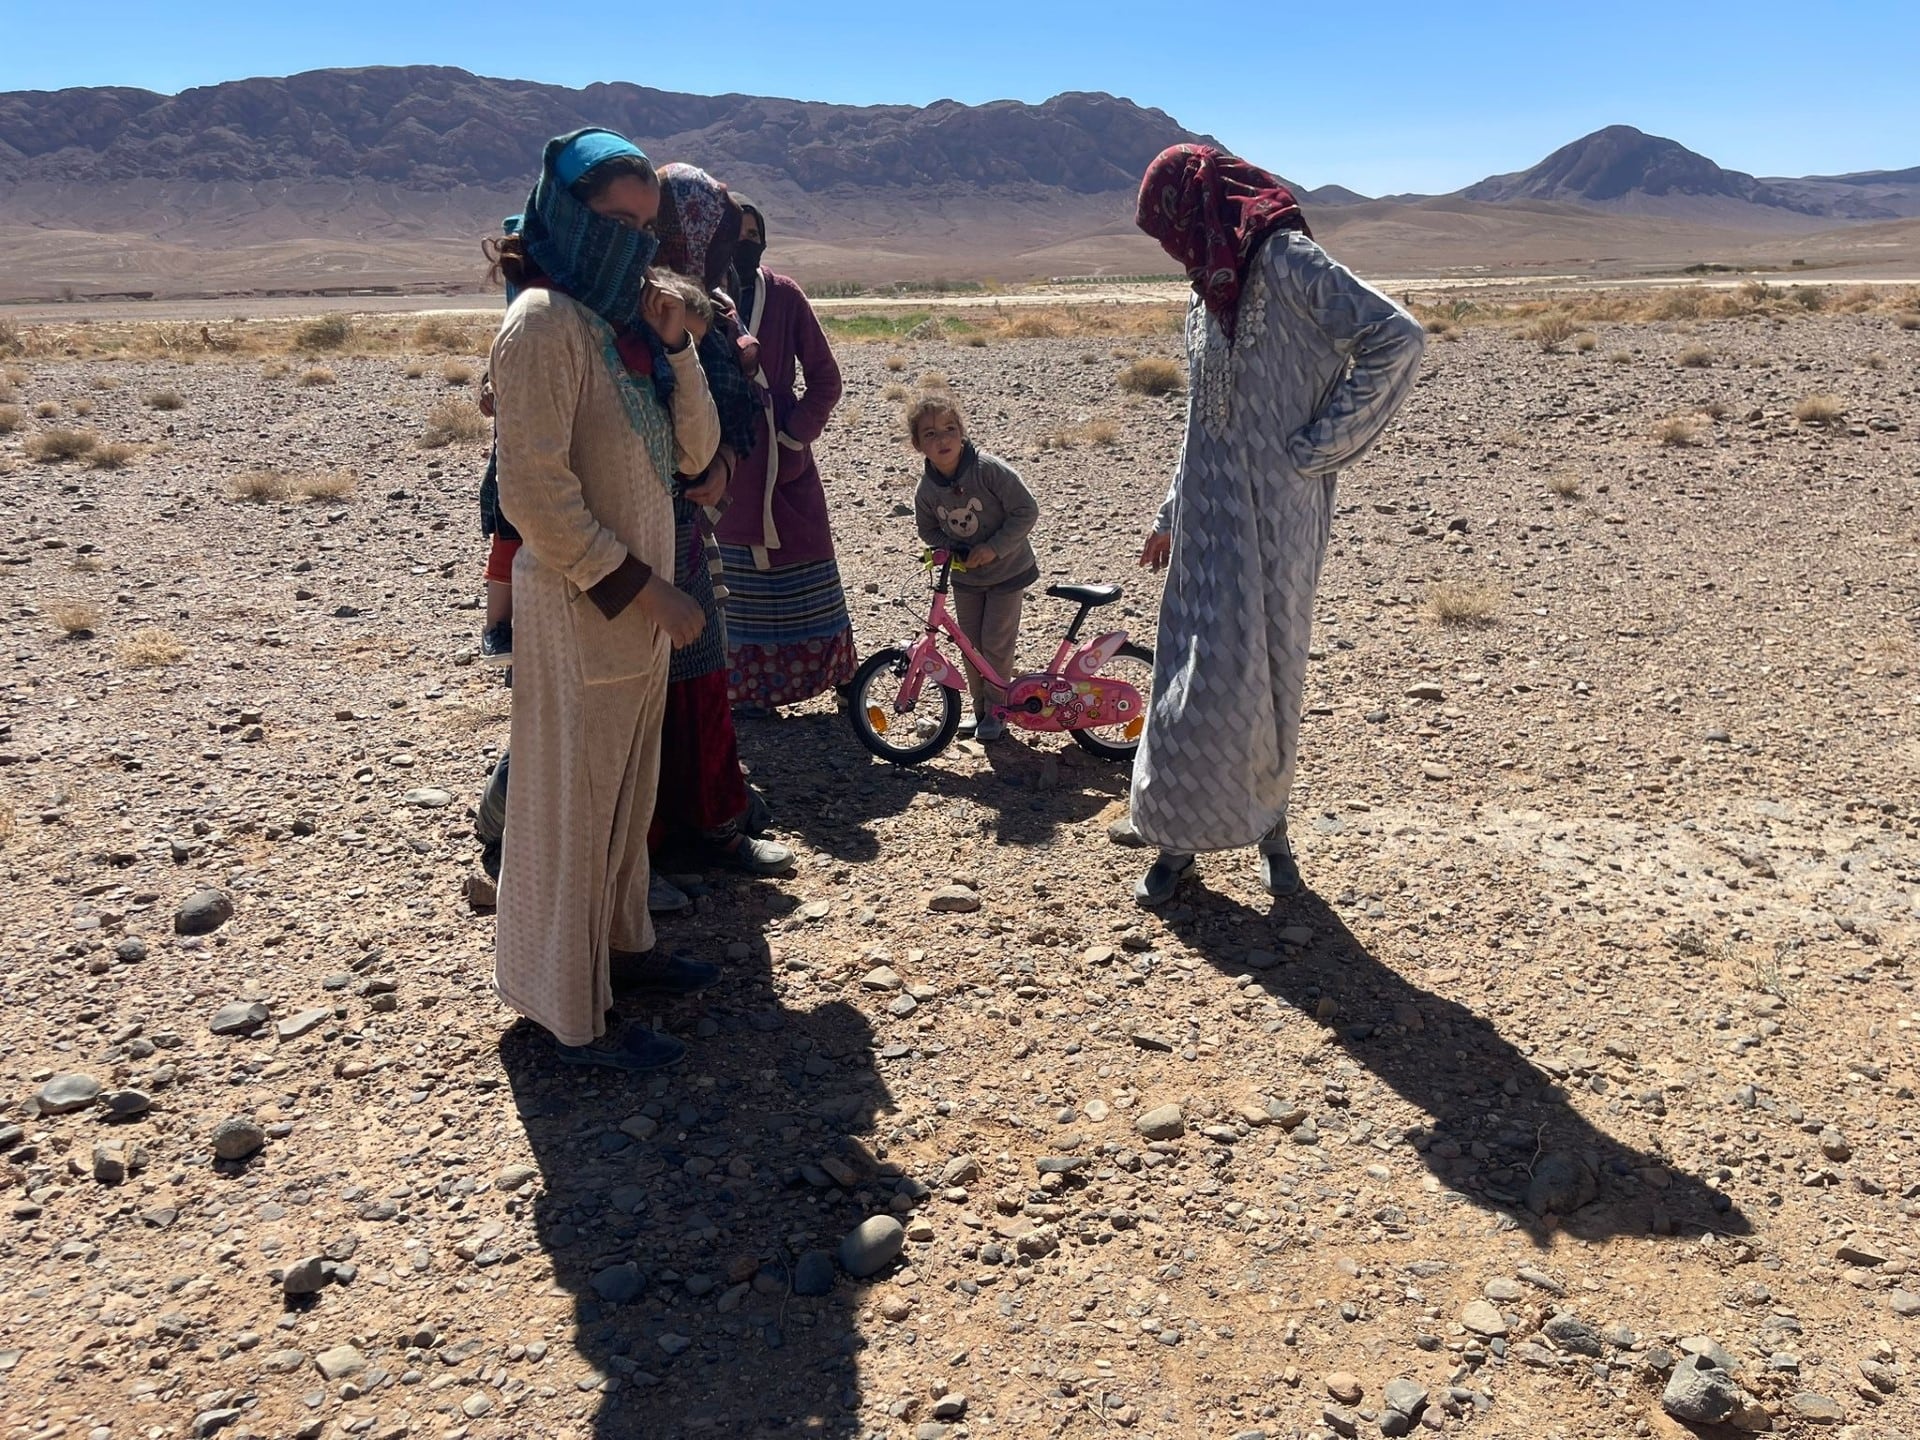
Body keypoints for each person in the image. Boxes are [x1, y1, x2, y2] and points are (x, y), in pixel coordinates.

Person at [1126, 143, 1424, 908]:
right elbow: (1200, 419)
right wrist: (1169, 511)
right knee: (1188, 678)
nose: (1173, 250)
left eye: (1172, 229)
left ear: (1199, 208)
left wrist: (1319, 450)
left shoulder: (1288, 262)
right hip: (1206, 521)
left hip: (1281, 515)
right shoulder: (1203, 291)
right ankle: (1175, 838)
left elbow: (1396, 338)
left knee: (1271, 674)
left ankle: (1272, 830)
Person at [488, 127, 722, 1070]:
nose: (633, 241)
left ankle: (621, 952)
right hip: (589, 611)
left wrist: (683, 351)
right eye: (612, 219)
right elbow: (534, 496)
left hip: (636, 621)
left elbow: (696, 459)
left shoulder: (622, 331)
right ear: (562, 212)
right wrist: (648, 591)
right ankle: (563, 1012)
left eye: (646, 225)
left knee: (626, 795)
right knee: (570, 805)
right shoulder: (542, 324)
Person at [648, 162, 793, 879]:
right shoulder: (624, 303)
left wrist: (726, 466)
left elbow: (742, 407)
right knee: (632, 685)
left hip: (682, 522)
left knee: (698, 665)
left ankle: (709, 821)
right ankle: (643, 848)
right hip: (626, 520)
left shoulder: (714, 309)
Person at [712, 198, 856, 713]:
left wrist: (794, 437)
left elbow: (825, 379)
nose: (745, 243)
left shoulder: (787, 296)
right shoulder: (699, 297)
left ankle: (838, 676)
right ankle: (745, 691)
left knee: (807, 556)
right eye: (735, 233)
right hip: (725, 457)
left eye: (755, 234)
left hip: (781, 459)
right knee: (731, 574)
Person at [908, 391, 1039, 741]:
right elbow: (928, 528)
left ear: (962, 432)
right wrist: (954, 549)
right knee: (969, 645)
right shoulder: (926, 490)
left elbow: (1027, 510)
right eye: (930, 434)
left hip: (1007, 572)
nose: (943, 439)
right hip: (967, 579)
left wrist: (993, 548)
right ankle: (980, 711)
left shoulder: (988, 470)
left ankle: (998, 711)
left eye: (950, 428)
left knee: (995, 643)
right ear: (918, 444)